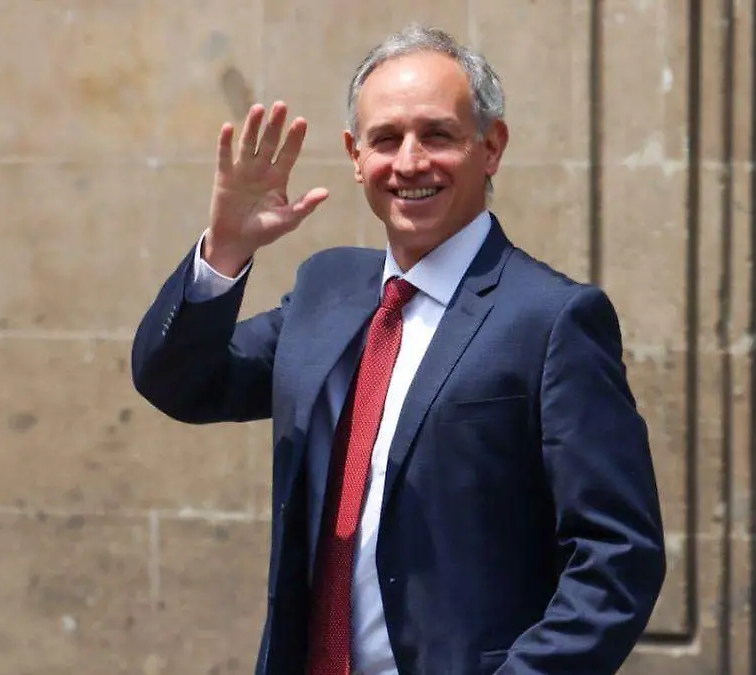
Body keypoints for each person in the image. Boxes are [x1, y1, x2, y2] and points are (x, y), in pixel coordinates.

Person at [131, 24, 665, 675]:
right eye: (386, 139)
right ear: (355, 156)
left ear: (491, 146)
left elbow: (618, 558)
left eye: (437, 135)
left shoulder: (552, 320)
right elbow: (180, 381)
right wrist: (225, 249)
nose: (410, 162)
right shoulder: (327, 290)